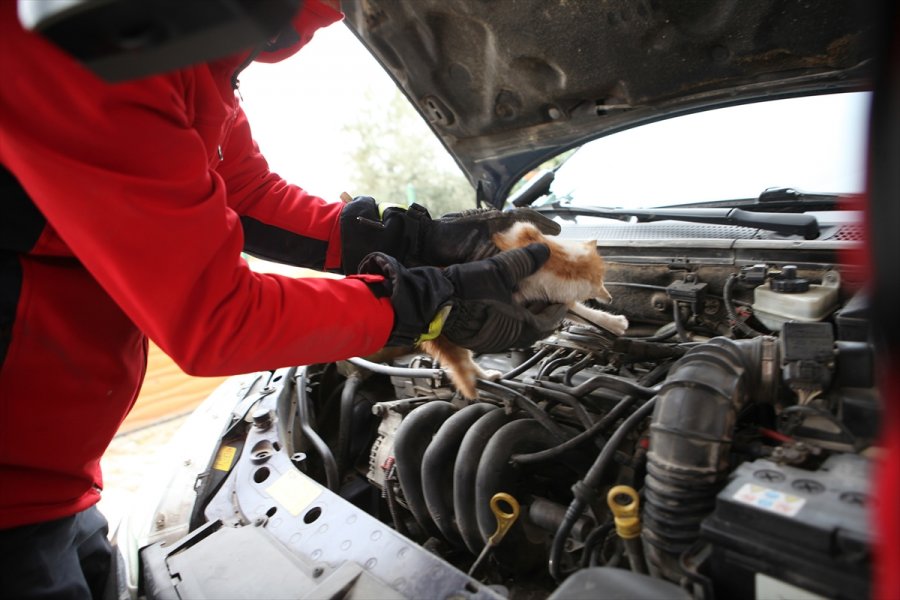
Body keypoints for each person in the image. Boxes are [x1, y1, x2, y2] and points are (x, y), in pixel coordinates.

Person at [0, 1, 567, 597]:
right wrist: (414, 304)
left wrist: (407, 240)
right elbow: (217, 319)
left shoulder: (178, 49)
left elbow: (240, 186)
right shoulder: (85, 37)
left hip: (50, 481)